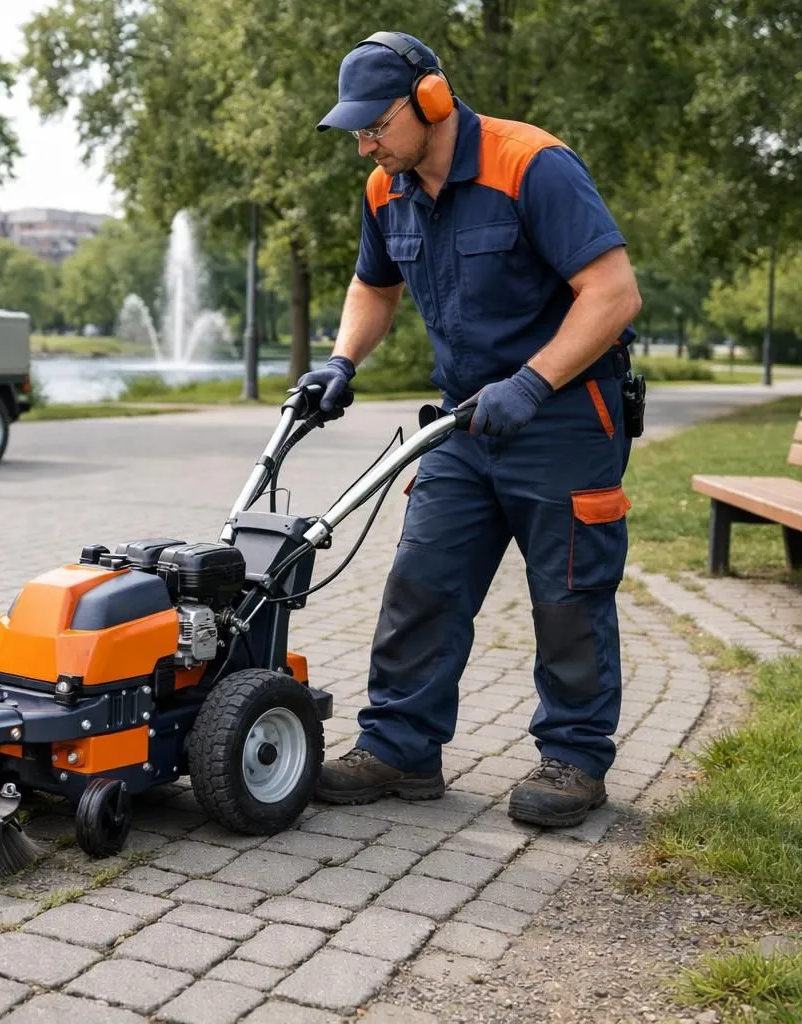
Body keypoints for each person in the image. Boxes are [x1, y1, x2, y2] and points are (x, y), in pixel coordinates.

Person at [300, 31, 643, 828]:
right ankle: (401, 747)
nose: (364, 147)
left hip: (563, 415)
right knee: (423, 577)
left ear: (430, 100)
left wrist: (533, 381)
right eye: (356, 131)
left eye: (374, 127)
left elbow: (613, 293)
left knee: (567, 592)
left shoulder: (532, 165)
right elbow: (372, 287)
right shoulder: (388, 189)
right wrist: (341, 361)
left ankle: (575, 756)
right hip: (464, 420)